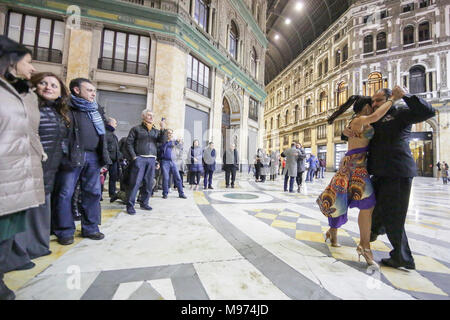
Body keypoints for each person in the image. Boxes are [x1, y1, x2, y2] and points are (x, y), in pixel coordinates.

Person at [317, 93, 397, 267]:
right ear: (366, 107)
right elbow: (376, 116)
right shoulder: (361, 120)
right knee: (348, 202)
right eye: (372, 103)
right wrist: (393, 99)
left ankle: (357, 242)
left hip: (357, 165)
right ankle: (357, 243)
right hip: (354, 166)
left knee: (358, 203)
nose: (374, 106)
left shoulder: (358, 120)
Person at [363, 86, 435, 269]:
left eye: (378, 100)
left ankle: (402, 257)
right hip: (380, 172)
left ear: (390, 99)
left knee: (394, 214)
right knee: (374, 206)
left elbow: (428, 111)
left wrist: (406, 95)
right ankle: (373, 232)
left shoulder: (401, 112)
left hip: (397, 171)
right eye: (373, 101)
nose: (374, 104)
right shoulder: (376, 117)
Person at [0, 36, 44, 299]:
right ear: (10, 61)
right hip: (6, 173)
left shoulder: (16, 91)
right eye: (28, 62)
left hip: (15, 175)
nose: (33, 68)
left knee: (6, 234)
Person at [12, 72, 70, 260]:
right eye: (43, 83)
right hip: (27, 169)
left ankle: (36, 248)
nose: (48, 87)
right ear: (34, 86)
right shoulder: (28, 106)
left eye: (54, 85)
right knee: (22, 213)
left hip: (48, 169)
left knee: (39, 211)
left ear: (60, 92)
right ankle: (18, 254)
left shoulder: (58, 112)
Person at [52, 78, 111, 245]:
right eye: (89, 90)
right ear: (76, 90)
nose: (93, 93)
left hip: (93, 156)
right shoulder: (65, 106)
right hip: (72, 155)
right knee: (65, 193)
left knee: (93, 193)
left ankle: (90, 228)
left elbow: (102, 135)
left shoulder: (96, 109)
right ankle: (65, 231)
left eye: (94, 90)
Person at [126, 110, 167, 214]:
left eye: (152, 116)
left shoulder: (155, 131)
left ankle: (144, 203)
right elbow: (129, 143)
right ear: (143, 116)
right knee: (135, 183)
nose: (151, 117)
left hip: (151, 159)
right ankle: (130, 205)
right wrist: (134, 157)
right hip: (140, 158)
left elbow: (162, 141)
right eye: (149, 115)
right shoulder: (136, 129)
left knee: (149, 183)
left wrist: (162, 129)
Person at [159, 129, 187, 199]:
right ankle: (165, 193)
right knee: (166, 178)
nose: (170, 134)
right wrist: (171, 142)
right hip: (165, 161)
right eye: (168, 133)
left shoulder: (174, 141)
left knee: (178, 177)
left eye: (171, 133)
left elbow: (180, 147)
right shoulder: (164, 141)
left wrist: (179, 142)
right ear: (166, 134)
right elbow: (163, 148)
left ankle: (181, 193)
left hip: (173, 161)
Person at [105, 117, 122, 203]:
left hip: (114, 160)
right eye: (115, 123)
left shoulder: (113, 134)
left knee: (113, 177)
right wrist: (106, 159)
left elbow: (116, 148)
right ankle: (99, 194)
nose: (116, 125)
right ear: (110, 123)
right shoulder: (106, 133)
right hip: (107, 160)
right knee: (102, 178)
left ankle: (112, 193)